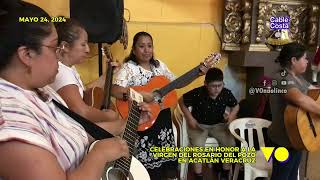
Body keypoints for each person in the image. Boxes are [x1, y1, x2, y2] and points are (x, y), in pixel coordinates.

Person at [0, 1, 149, 179]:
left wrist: (125, 124)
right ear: (27, 55)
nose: (60, 53)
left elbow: (74, 132)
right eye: (55, 46)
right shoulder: (11, 121)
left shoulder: (41, 90)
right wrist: (99, 155)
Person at [111, 31, 217, 180]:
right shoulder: (129, 68)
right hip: (141, 120)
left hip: (162, 120)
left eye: (149, 46)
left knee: (164, 167)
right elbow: (114, 90)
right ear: (134, 50)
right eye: (141, 46)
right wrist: (140, 94)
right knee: (145, 170)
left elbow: (177, 83)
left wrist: (198, 73)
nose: (146, 50)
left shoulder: (159, 66)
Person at [49, 17, 124, 134]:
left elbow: (83, 91)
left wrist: (106, 76)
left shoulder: (68, 68)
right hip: (71, 133)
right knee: (123, 125)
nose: (88, 49)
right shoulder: (62, 72)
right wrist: (108, 116)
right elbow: (80, 111)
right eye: (83, 44)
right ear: (65, 46)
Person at [268, 42, 320, 180]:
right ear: (293, 60)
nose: (307, 61)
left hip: (295, 137)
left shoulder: (299, 78)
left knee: (290, 177)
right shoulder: (281, 78)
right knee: (281, 177)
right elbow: (300, 99)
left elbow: (314, 91)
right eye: (305, 58)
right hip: (282, 140)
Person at [178, 67, 239, 180]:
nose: (217, 89)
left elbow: (236, 105)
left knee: (230, 143)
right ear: (206, 84)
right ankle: (198, 175)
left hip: (218, 125)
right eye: (213, 86)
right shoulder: (197, 93)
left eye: (219, 85)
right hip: (198, 125)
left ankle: (225, 172)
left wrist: (231, 116)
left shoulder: (226, 93)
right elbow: (181, 101)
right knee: (198, 147)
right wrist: (189, 118)